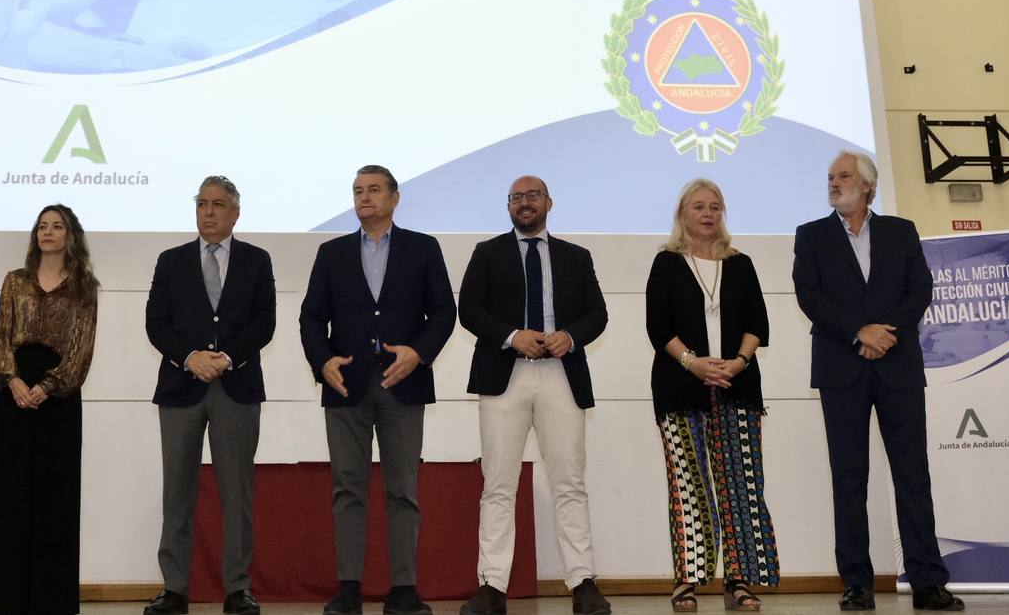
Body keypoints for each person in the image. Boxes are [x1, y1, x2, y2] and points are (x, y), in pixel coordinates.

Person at [792, 152, 963, 612]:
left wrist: (884, 335)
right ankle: (857, 584)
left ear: (867, 184)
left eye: (843, 176)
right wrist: (858, 333)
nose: (834, 183)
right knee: (849, 479)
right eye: (830, 177)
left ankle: (928, 582)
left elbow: (919, 290)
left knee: (912, 475)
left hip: (897, 365)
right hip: (840, 369)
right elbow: (809, 295)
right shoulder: (810, 235)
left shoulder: (900, 231)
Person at [298, 166, 457, 615]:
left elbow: (444, 311)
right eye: (357, 191)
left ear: (395, 197)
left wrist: (419, 352)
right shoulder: (331, 253)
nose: (364, 197)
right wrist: (322, 359)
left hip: (402, 383)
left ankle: (403, 588)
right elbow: (311, 317)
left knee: (402, 489)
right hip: (346, 384)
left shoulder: (423, 248)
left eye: (373, 190)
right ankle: (348, 586)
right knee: (347, 488)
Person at [458, 176, 611, 615]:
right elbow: (469, 308)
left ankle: (582, 582)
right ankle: (492, 586)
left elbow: (597, 313)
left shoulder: (576, 257)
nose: (525, 203)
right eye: (517, 197)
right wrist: (510, 336)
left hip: (561, 375)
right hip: (503, 378)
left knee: (569, 483)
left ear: (549, 203)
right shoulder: (487, 253)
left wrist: (570, 336)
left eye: (533, 196)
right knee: (498, 485)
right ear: (508, 206)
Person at [144, 177, 278, 615]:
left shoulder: (257, 260)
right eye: (201, 203)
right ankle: (175, 588)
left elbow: (264, 322)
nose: (208, 212)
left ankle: (238, 588)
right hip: (181, 387)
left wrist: (227, 358)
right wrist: (190, 357)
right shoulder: (171, 261)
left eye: (218, 204)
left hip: (235, 387)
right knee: (177, 492)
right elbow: (156, 323)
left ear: (235, 212)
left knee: (236, 492)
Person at [646, 179, 779, 612]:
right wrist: (694, 363)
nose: (707, 213)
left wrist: (737, 363)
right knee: (690, 487)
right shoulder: (665, 263)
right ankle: (688, 580)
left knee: (741, 486)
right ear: (683, 213)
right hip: (681, 387)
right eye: (699, 206)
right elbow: (658, 326)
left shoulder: (741, 263)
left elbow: (758, 322)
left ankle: (738, 580)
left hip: (738, 385)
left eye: (715, 206)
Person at [0, 204, 99, 615]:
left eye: (56, 226)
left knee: (55, 497)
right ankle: (1, 595)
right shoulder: (15, 282)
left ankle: (51, 599)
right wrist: (14, 382)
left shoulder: (84, 287)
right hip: (14, 392)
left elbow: (81, 351)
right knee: (9, 496)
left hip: (58, 399)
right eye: (42, 226)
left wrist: (46, 387)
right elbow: (1, 340)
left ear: (70, 236)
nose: (48, 232)